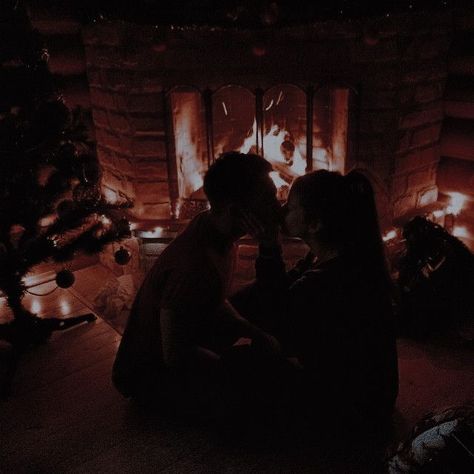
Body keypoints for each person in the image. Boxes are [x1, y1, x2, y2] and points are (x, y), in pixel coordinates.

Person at [112, 152, 282, 412]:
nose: (277, 207)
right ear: (236, 211)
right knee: (263, 395)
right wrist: (231, 371)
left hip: (184, 344)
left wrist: (252, 331)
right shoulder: (193, 265)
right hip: (151, 379)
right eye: (269, 200)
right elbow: (174, 355)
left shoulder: (213, 227)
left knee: (258, 306)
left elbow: (214, 301)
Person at [234, 169, 399, 428]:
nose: (281, 209)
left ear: (314, 224)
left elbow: (274, 324)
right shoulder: (338, 255)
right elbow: (279, 292)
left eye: (290, 206)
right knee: (247, 312)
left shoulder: (328, 280)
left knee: (242, 366)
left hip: (354, 408)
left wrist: (269, 246)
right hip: (370, 396)